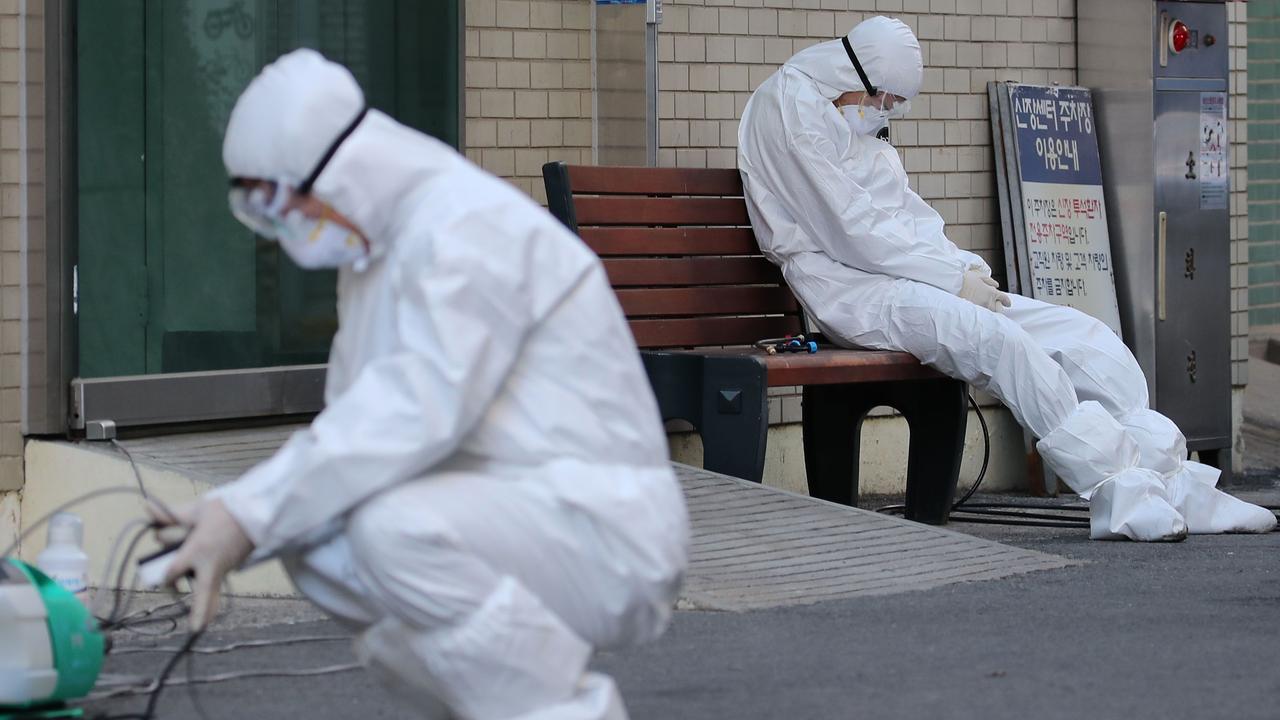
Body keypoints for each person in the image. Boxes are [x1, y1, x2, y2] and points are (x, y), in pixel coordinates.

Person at [149, 48, 689, 720]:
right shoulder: (376, 254)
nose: (284, 235)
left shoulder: (467, 226)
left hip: (604, 529)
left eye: (280, 208)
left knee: (391, 528)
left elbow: (414, 409)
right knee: (319, 541)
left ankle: (561, 710)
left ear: (340, 175)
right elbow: (354, 431)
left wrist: (248, 511)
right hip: (510, 509)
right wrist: (240, 519)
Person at [737, 16, 1276, 541]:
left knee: (1086, 338)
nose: (886, 112)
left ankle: (1174, 481)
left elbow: (899, 213)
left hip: (907, 276)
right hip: (847, 291)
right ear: (859, 76)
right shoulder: (789, 111)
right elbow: (851, 229)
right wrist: (951, 277)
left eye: (895, 104)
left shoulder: (856, 113)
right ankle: (1120, 489)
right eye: (885, 100)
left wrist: (965, 267)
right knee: (1000, 342)